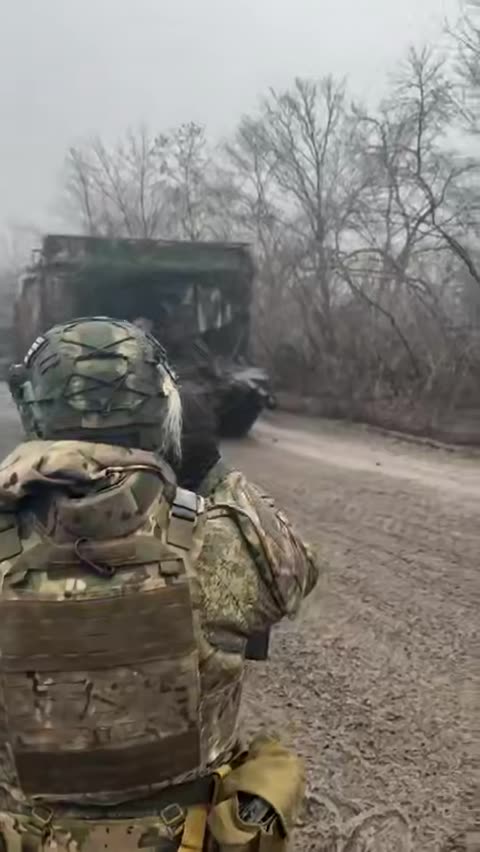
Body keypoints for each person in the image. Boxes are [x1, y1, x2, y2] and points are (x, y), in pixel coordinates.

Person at [1, 317, 319, 852]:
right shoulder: (219, 542)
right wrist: (211, 469)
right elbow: (295, 570)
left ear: (34, 410)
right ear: (162, 412)